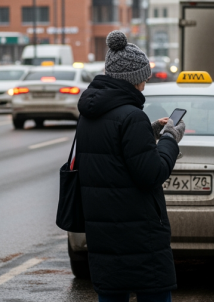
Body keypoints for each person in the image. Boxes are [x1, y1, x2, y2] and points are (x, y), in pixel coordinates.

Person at [75, 30, 186, 302]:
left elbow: (110, 155)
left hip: (104, 231)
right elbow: (152, 174)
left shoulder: (90, 115)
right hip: (139, 234)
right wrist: (171, 139)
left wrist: (149, 132)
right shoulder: (131, 116)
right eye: (143, 80)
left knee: (111, 296)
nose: (145, 86)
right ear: (132, 80)